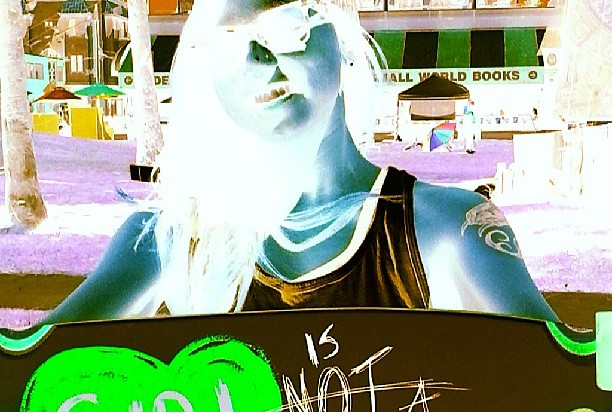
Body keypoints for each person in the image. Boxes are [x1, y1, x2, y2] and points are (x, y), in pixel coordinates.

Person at [45, 0, 557, 326]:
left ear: (341, 35)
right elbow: (31, 385)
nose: (258, 59)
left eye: (288, 24)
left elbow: (559, 392)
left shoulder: (450, 229)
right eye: (225, 45)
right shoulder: (168, 241)